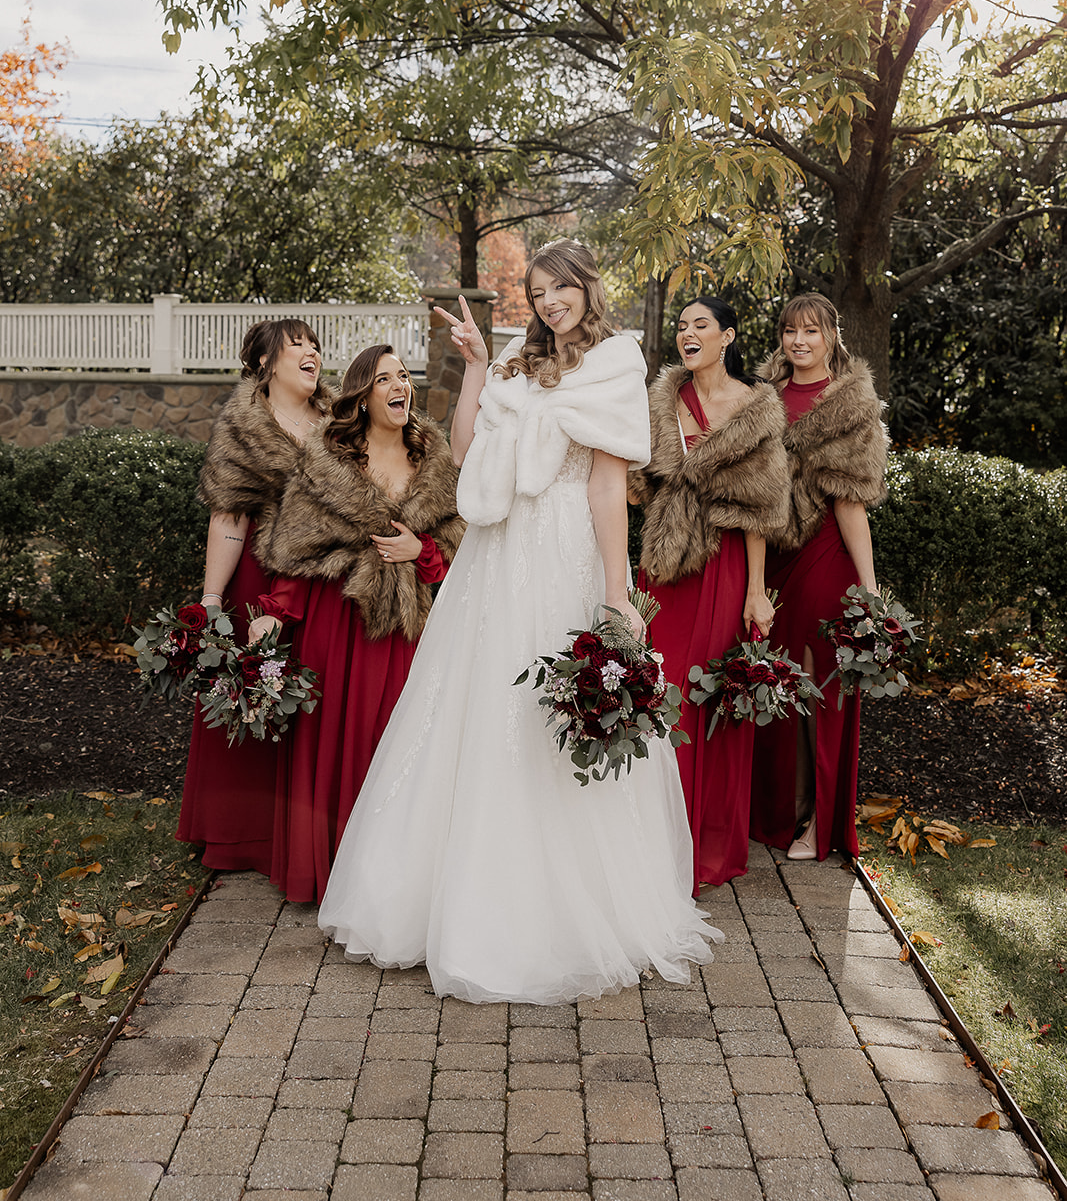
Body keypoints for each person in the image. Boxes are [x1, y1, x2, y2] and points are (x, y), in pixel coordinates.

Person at [318, 239, 721, 1003]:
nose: (548, 302)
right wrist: (475, 364)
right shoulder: (512, 361)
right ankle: (445, 902)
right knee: (473, 710)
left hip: (564, 552)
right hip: (495, 558)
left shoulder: (612, 365)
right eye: (537, 291)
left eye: (559, 287)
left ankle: (567, 912)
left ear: (584, 288)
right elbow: (467, 452)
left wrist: (614, 589)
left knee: (552, 716)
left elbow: (607, 489)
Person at [248, 345, 464, 904]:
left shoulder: (434, 465)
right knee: (338, 741)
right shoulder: (326, 463)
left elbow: (458, 552)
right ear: (363, 396)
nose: (401, 387)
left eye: (405, 377)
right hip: (338, 620)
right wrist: (274, 615)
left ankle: (391, 882)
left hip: (410, 629)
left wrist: (422, 549)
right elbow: (297, 545)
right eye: (385, 378)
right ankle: (334, 871)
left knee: (399, 740)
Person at [633, 296, 789, 891]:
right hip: (665, 566)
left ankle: (703, 845)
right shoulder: (660, 401)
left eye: (701, 325)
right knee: (661, 690)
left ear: (727, 336)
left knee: (707, 698)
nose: (687, 334)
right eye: (681, 326)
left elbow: (760, 512)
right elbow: (636, 484)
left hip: (723, 567)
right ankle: (651, 839)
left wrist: (756, 592)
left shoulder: (754, 409)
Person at [176, 318, 332, 874]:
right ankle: (239, 836)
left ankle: (305, 832)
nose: (312, 353)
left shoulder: (340, 420)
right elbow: (228, 516)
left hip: (325, 582)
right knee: (250, 694)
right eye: (298, 346)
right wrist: (213, 602)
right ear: (265, 364)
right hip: (258, 581)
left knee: (313, 706)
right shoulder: (244, 425)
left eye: (315, 345)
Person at [748, 293, 887, 862]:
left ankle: (817, 823)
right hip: (773, 555)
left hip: (824, 553)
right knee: (774, 679)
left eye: (811, 330)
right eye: (789, 331)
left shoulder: (849, 402)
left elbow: (852, 503)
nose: (799, 341)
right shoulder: (763, 400)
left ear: (833, 335)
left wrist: (869, 587)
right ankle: (776, 811)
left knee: (817, 684)